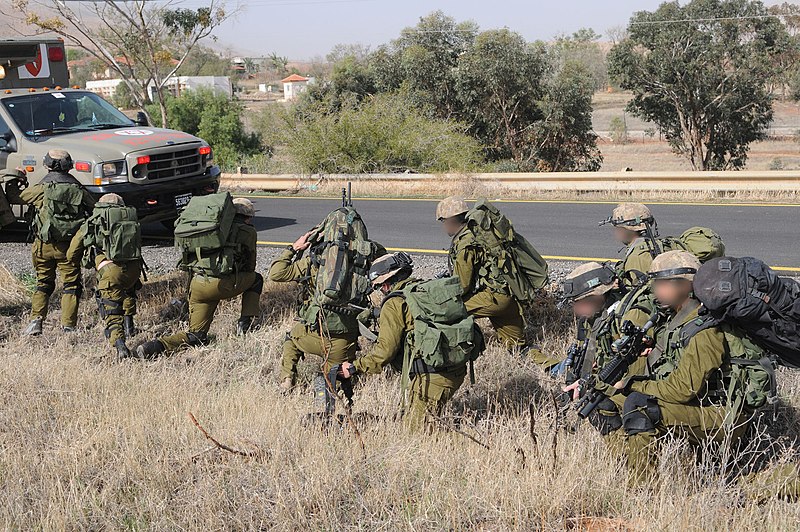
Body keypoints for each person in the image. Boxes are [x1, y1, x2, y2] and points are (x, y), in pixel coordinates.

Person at [589, 251, 764, 484]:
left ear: (685, 285)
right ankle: (628, 464)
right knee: (601, 400)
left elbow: (683, 389)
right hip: (695, 405)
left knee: (640, 407)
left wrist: (632, 385)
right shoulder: (675, 319)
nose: (655, 291)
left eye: (662, 284)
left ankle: (643, 489)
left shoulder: (704, 329)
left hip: (722, 416)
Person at [339, 252, 483, 431]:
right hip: (455, 369)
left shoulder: (393, 304)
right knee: (414, 417)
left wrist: (354, 368)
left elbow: (384, 353)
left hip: (433, 377)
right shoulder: (422, 289)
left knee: (414, 431)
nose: (380, 291)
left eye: (378, 287)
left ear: (385, 284)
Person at [268, 206, 385, 393]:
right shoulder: (365, 260)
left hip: (316, 333)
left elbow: (276, 273)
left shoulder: (315, 262)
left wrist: (293, 248)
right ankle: (331, 385)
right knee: (334, 383)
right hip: (345, 339)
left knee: (291, 339)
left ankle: (287, 380)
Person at [135, 197, 262, 357]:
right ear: (248, 217)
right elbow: (251, 265)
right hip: (221, 285)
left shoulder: (209, 227)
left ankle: (154, 346)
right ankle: (245, 325)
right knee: (256, 279)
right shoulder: (247, 231)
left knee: (196, 336)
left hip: (197, 285)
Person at [19, 149, 95, 335]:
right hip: (69, 248)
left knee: (43, 283)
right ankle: (68, 326)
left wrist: (17, 178)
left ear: (47, 165)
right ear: (69, 166)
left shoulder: (42, 190)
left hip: (44, 246)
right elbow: (94, 209)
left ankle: (36, 322)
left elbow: (19, 197)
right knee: (71, 285)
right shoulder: (78, 190)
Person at [437, 196, 525, 350]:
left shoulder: (465, 244)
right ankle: (556, 367)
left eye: (443, 222)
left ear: (450, 221)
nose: (444, 226)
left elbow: (462, 286)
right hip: (509, 295)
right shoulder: (479, 233)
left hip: (493, 298)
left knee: (444, 312)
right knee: (518, 349)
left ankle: (454, 353)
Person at [82, 193, 143, 360]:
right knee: (129, 292)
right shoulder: (130, 218)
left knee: (112, 308)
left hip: (109, 271)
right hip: (134, 269)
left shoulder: (94, 220)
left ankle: (120, 344)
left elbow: (76, 248)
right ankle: (130, 326)